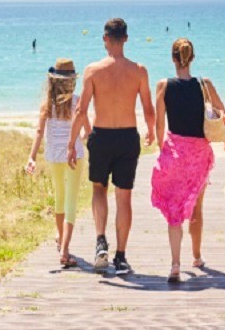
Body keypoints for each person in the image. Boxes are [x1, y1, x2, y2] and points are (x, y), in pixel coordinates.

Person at [67, 18, 156, 275]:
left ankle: (100, 241)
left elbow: (81, 110)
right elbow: (148, 108)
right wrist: (151, 132)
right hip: (128, 136)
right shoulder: (139, 71)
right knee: (124, 196)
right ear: (126, 38)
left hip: (102, 136)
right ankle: (121, 256)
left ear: (105, 38)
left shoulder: (93, 71)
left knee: (98, 189)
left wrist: (72, 143)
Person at [151, 38, 225, 282]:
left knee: (174, 211)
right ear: (192, 58)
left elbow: (159, 125)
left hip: (175, 153)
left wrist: (161, 149)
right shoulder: (204, 84)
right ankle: (196, 257)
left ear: (173, 59)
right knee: (196, 208)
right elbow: (224, 114)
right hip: (199, 155)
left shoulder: (163, 86)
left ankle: (175, 264)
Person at [26, 58, 90, 268]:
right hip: (74, 155)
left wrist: (32, 157)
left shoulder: (47, 104)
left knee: (59, 197)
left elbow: (39, 132)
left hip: (54, 155)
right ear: (71, 81)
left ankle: (61, 241)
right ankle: (64, 250)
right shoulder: (78, 102)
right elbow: (87, 132)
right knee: (71, 200)